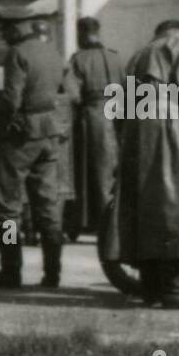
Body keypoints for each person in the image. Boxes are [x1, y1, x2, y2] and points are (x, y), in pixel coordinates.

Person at [108, 20, 179, 309]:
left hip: (136, 131)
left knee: (144, 208)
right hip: (168, 127)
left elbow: (119, 106)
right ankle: (173, 288)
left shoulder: (138, 54)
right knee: (174, 206)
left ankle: (150, 287)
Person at [0, 6, 68, 290]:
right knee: (47, 207)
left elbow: (12, 100)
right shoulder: (52, 52)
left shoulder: (17, 54)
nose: (4, 36)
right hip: (50, 133)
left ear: (16, 28)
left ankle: (10, 270)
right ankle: (52, 274)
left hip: (22, 137)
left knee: (7, 208)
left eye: (5, 30)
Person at [64, 16, 125, 226]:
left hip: (93, 116)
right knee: (115, 168)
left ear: (80, 34)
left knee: (94, 170)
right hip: (118, 113)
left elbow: (73, 95)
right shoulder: (116, 58)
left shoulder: (78, 60)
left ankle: (98, 219)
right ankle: (116, 217)